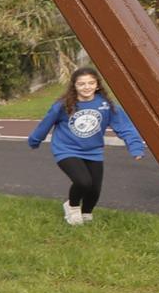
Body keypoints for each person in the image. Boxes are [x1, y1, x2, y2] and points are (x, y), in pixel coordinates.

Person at [28, 68, 147, 224]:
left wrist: (135, 147)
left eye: (91, 83)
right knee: (83, 181)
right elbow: (46, 123)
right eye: (82, 84)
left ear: (97, 85)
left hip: (93, 151)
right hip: (66, 149)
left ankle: (86, 214)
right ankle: (72, 207)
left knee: (95, 189)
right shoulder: (63, 105)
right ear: (74, 86)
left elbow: (125, 127)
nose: (87, 87)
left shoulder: (106, 105)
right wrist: (35, 140)